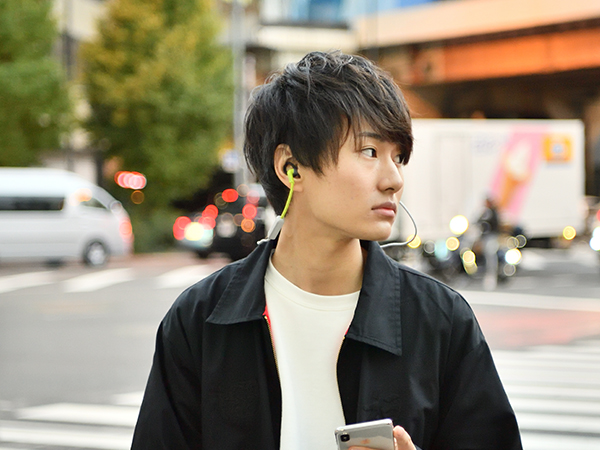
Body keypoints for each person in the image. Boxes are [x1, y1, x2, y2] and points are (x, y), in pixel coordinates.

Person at [131, 51, 522, 450]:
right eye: (369, 152)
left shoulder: (439, 321)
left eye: (399, 157)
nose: (394, 179)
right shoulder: (201, 320)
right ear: (291, 167)